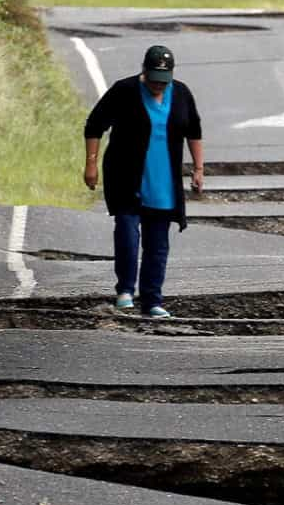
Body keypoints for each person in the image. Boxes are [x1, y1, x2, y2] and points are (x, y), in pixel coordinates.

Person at [83, 44, 204, 317]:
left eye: (163, 81)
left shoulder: (182, 94)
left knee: (158, 242)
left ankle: (152, 300)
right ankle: (125, 290)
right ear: (143, 72)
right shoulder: (124, 91)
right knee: (127, 232)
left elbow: (194, 131)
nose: (158, 86)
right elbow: (94, 125)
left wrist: (198, 168)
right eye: (153, 80)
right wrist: (91, 164)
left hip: (163, 180)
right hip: (126, 176)